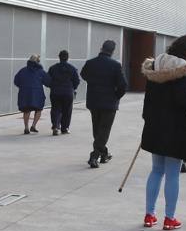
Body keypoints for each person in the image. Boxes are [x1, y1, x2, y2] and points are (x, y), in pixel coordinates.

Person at [140, 35, 186, 230]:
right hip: (176, 129)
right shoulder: (184, 70)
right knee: (172, 174)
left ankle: (149, 215)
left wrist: (149, 120)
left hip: (155, 127)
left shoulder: (155, 67)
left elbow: (148, 102)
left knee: (156, 170)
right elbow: (184, 99)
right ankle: (169, 218)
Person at [81, 39, 128, 168]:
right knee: (104, 130)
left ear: (101, 48)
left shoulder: (91, 63)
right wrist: (116, 96)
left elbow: (83, 74)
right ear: (112, 51)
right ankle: (95, 156)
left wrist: (94, 82)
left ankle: (104, 154)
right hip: (109, 103)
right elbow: (123, 85)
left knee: (97, 129)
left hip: (93, 100)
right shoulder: (115, 65)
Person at [13, 54, 50, 135]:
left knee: (26, 110)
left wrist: (23, 87)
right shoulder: (41, 72)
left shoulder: (22, 70)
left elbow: (16, 81)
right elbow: (48, 82)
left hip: (24, 94)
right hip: (37, 94)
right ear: (38, 62)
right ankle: (33, 126)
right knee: (39, 109)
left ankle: (26, 128)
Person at [47, 50, 80, 136]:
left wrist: (52, 86)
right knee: (67, 110)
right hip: (68, 92)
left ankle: (55, 126)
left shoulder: (52, 68)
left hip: (55, 92)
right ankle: (64, 128)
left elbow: (48, 79)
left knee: (55, 109)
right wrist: (74, 88)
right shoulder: (72, 68)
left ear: (59, 57)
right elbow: (76, 81)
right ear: (67, 58)